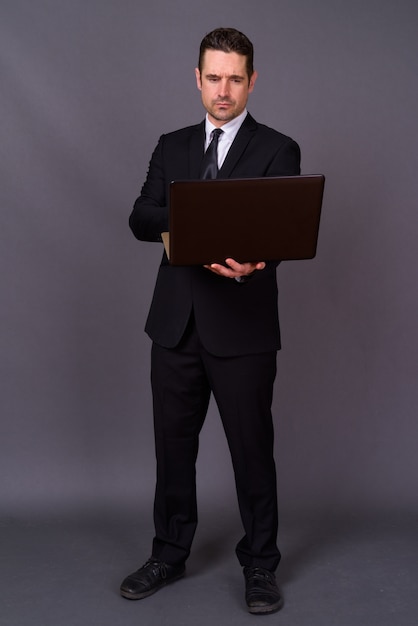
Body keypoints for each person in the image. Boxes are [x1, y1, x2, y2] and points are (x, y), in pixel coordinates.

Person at [120, 27, 301, 615]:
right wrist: (187, 220)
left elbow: (284, 229)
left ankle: (261, 566)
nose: (223, 90)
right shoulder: (171, 146)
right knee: (172, 450)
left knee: (253, 450)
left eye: (235, 78)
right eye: (214, 77)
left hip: (242, 327)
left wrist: (259, 258)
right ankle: (169, 552)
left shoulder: (279, 148)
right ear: (197, 78)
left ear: (252, 81)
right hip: (174, 325)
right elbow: (141, 215)